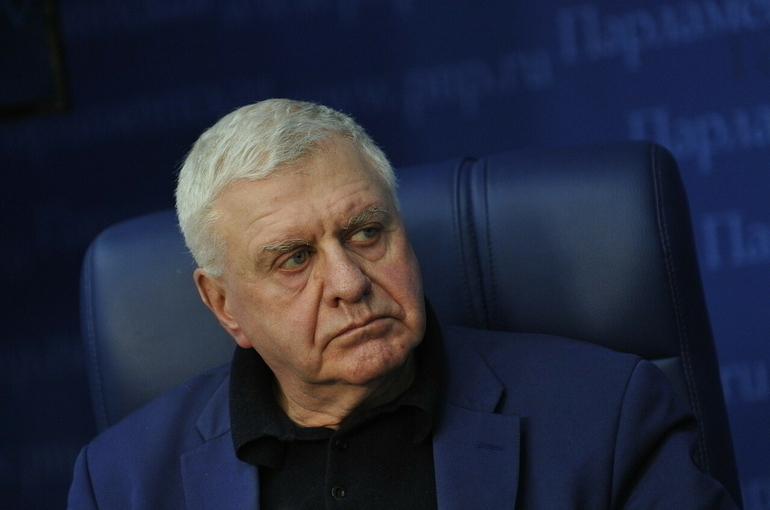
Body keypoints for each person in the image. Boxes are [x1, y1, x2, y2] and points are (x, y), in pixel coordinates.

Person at [68, 99, 738, 509]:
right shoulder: (120, 484)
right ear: (223, 306)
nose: (349, 282)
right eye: (294, 259)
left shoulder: (604, 414)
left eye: (366, 232)